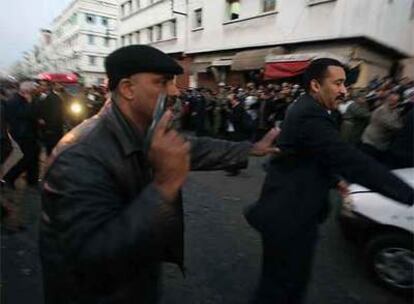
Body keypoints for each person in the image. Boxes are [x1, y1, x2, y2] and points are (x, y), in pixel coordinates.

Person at [39, 45, 279, 304]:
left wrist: (250, 149)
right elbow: (92, 257)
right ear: (128, 88)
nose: (174, 92)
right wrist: (164, 185)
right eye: (162, 83)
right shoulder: (81, 156)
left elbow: (190, 148)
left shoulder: (142, 128)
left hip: (133, 283)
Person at [244, 58, 413, 304]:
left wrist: (335, 180)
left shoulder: (311, 109)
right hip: (289, 218)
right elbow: (350, 160)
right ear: (315, 85)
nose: (344, 91)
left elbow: (312, 154)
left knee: (285, 284)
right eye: (338, 83)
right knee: (281, 288)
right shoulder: (310, 116)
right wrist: (407, 194)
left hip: (293, 212)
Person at [3, 81, 40, 188]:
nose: (34, 92)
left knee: (33, 158)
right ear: (26, 91)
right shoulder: (15, 101)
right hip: (22, 135)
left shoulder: (21, 100)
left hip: (29, 134)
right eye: (32, 91)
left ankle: (32, 181)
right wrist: (29, 103)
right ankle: (10, 177)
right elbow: (27, 115)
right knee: (25, 158)